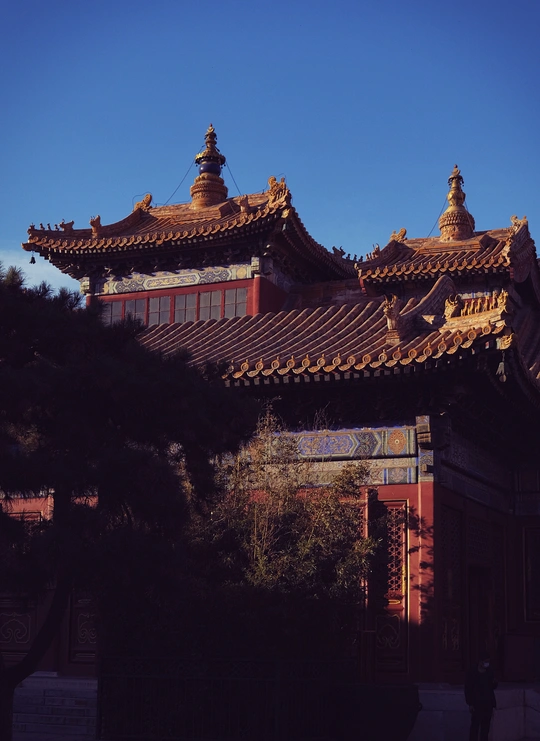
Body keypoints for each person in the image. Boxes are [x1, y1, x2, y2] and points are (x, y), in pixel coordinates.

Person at [464, 654, 497, 741]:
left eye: (488, 661)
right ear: (480, 662)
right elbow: (468, 688)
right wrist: (470, 703)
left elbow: (493, 686)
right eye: (486, 661)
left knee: (485, 728)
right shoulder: (472, 672)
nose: (487, 663)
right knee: (475, 727)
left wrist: (494, 682)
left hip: (488, 703)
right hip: (476, 704)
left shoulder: (490, 671)